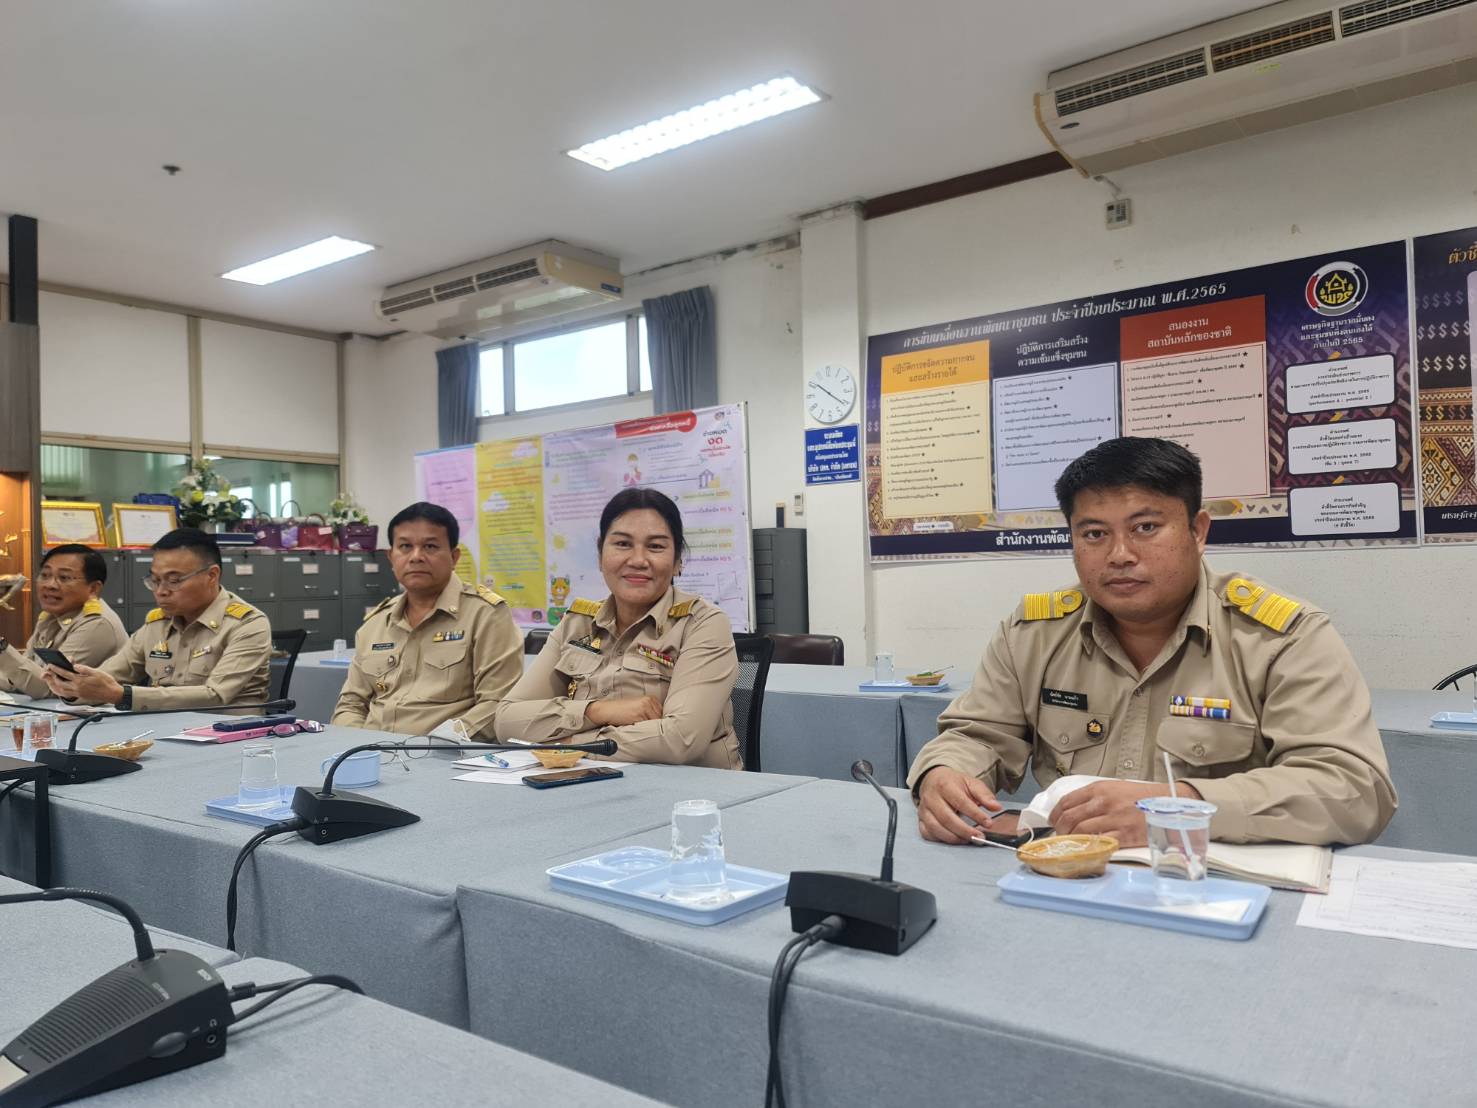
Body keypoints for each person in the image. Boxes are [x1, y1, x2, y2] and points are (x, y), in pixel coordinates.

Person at [908, 436, 1396, 848]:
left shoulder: (1282, 637)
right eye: (1094, 533)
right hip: (1069, 871)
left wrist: (1178, 809)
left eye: (1146, 528)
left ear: (1197, 531)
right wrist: (943, 774)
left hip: (1215, 884)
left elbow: (1354, 788)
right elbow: (977, 735)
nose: (1120, 555)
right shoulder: (1033, 632)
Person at [495, 487, 741, 768]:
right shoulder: (577, 623)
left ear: (677, 562)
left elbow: (679, 740)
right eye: (622, 544)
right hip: (594, 786)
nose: (637, 560)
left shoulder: (702, 623)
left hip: (691, 796)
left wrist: (566, 744)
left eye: (656, 546)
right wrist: (598, 711)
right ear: (600, 555)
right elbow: (507, 720)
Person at [332, 502, 522, 738]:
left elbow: (497, 703)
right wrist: (359, 747)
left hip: (444, 757)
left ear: (454, 557)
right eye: (405, 546)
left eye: (430, 546)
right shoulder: (375, 624)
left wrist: (435, 744)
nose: (416, 557)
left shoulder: (485, 615)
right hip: (371, 754)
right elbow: (351, 704)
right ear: (391, 557)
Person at [44, 528, 272, 710]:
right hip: (164, 731)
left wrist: (121, 695)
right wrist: (75, 688)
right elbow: (110, 678)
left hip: (229, 737)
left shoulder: (247, 624)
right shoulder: (157, 624)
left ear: (212, 575)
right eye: (154, 580)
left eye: (174, 580)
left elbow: (214, 695)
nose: (160, 591)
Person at [0, 544, 128, 699]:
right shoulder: (51, 617)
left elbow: (50, 687)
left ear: (93, 588)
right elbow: (20, 675)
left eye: (64, 578)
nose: (50, 585)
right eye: (45, 575)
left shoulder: (97, 624)